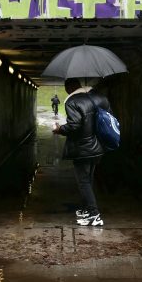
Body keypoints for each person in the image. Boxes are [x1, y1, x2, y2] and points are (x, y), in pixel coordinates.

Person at [53, 78, 110, 226]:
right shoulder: (100, 97)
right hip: (98, 147)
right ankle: (86, 210)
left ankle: (94, 214)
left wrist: (60, 129)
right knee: (88, 180)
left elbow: (74, 125)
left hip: (83, 148)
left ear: (69, 89)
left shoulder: (72, 101)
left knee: (83, 182)